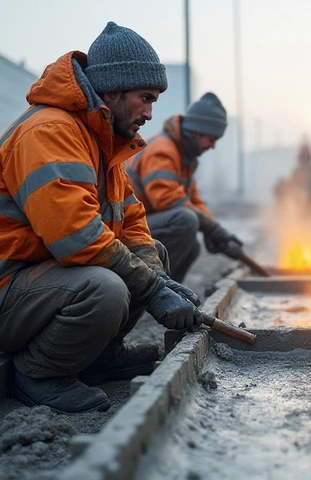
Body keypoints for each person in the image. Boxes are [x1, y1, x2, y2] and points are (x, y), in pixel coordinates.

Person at [0, 22, 204, 414]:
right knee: (103, 289)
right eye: (145, 98)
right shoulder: (50, 131)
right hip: (8, 283)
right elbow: (75, 236)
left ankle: (100, 356)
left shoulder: (100, 142)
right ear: (112, 90)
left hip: (35, 277)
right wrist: (152, 291)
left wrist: (159, 279)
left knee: (154, 253)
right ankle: (38, 374)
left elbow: (131, 222)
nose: (149, 113)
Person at [126, 92, 244, 283]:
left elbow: (193, 200)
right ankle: (151, 290)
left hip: (145, 221)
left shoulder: (184, 157)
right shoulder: (163, 150)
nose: (212, 146)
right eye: (212, 139)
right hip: (127, 225)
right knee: (185, 221)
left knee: (193, 245)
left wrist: (215, 230)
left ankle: (171, 293)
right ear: (197, 132)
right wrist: (211, 228)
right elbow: (166, 199)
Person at [289, 139, 311, 220]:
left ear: (310, 159)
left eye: (306, 159)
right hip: (299, 207)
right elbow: (291, 189)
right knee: (298, 225)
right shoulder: (296, 173)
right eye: (303, 159)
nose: (305, 161)